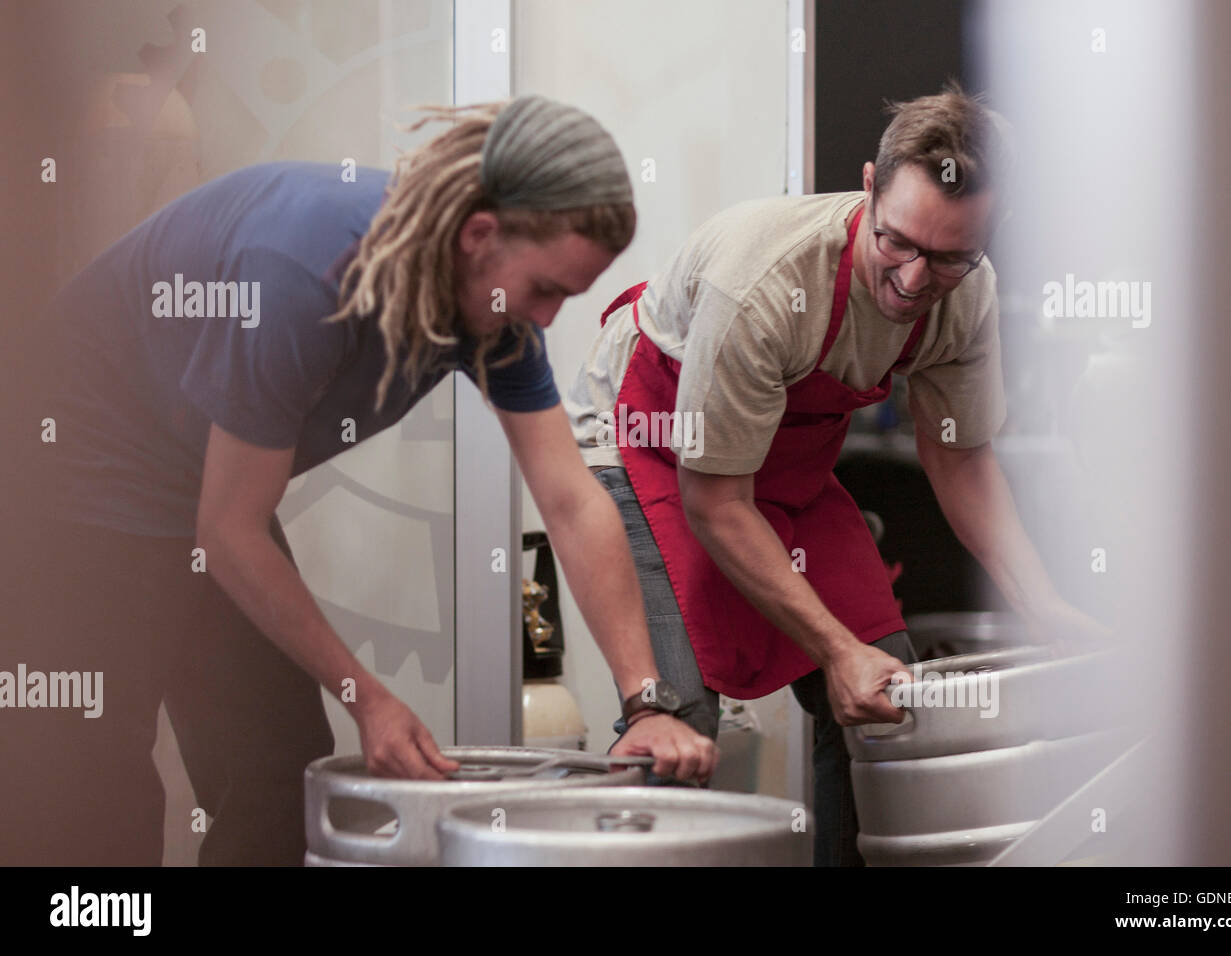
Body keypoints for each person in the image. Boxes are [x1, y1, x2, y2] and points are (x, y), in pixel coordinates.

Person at [6, 95, 716, 866]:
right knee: (93, 781)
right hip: (69, 480)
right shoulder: (302, 273)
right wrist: (368, 696)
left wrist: (646, 701)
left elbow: (572, 500)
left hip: (195, 484)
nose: (545, 320)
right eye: (546, 289)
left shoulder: (494, 313)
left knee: (274, 770)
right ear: (479, 236)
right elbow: (230, 531)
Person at [567, 84, 1110, 866]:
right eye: (898, 243)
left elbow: (958, 456)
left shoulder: (969, 298)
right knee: (677, 720)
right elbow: (716, 500)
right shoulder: (763, 281)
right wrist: (831, 645)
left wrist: (1043, 603)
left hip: (781, 457)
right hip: (655, 435)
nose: (916, 282)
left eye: (952, 256)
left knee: (890, 696)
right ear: (867, 185)